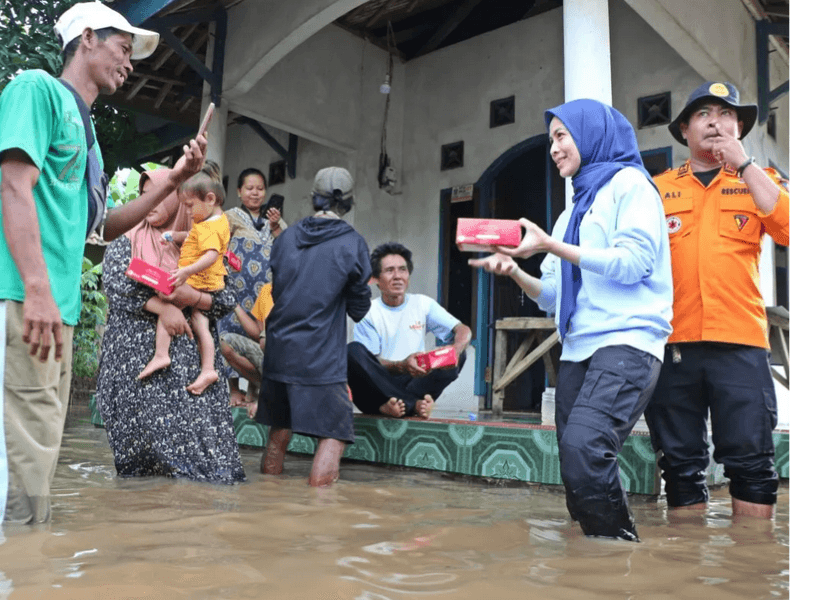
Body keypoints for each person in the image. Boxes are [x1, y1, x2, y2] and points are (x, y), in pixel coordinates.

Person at [0, 1, 208, 525]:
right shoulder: (36, 89)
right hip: (17, 295)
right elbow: (12, 185)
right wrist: (37, 288)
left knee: (37, 451)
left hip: (54, 305)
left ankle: (21, 567)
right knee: (8, 456)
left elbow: (100, 228)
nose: (130, 62)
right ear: (88, 37)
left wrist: (177, 179)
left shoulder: (88, 133)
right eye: (124, 48)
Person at [470, 99, 673, 541]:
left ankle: (617, 558)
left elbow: (635, 263)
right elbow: (554, 298)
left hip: (628, 342)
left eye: (562, 136)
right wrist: (516, 272)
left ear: (591, 134)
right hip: (579, 349)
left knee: (585, 448)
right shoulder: (570, 213)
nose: (554, 149)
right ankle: (592, 566)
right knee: (574, 463)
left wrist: (553, 247)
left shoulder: (631, 186)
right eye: (551, 140)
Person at [643, 82, 789, 520]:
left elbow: (792, 229)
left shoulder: (761, 181)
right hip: (674, 344)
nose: (716, 121)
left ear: (739, 128)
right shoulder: (656, 189)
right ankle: (683, 572)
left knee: (752, 464)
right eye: (704, 113)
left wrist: (744, 164)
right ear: (684, 129)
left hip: (740, 343)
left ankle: (749, 572)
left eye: (727, 114)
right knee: (680, 466)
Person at [95, 169, 245, 483]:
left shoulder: (202, 241)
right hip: (136, 368)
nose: (150, 204)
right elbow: (115, 285)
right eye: (145, 196)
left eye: (163, 196)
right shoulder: (128, 240)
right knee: (142, 472)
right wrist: (164, 308)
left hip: (191, 374)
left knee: (202, 472)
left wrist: (195, 298)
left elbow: (227, 297)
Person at [254, 167, 372, 487]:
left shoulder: (286, 237)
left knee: (279, 432)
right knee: (333, 434)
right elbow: (360, 309)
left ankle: (267, 502)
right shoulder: (353, 243)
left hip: (278, 349)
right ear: (349, 203)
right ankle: (319, 526)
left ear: (312, 199)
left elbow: (278, 293)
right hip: (319, 356)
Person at [347, 242, 472, 419]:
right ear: (376, 278)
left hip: (416, 380)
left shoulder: (422, 303)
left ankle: (396, 405)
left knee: (457, 354)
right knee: (352, 352)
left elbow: (462, 329)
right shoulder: (368, 312)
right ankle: (413, 405)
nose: (397, 276)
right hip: (380, 384)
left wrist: (456, 350)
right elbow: (370, 364)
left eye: (403, 270)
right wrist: (402, 366)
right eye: (390, 270)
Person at [137, 161, 230, 397]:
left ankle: (161, 354)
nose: (187, 212)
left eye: (189, 206)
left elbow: (211, 255)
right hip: (202, 283)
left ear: (209, 199)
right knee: (201, 325)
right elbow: (193, 237)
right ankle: (208, 368)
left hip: (199, 282)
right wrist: (175, 236)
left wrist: (188, 276)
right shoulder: (210, 223)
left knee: (170, 301)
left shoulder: (209, 226)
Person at [219, 168, 286, 405]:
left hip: (265, 290)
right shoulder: (230, 217)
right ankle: (234, 389)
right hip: (237, 287)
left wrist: (277, 225)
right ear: (239, 191)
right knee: (231, 331)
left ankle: (254, 390)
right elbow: (217, 244)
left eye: (259, 189)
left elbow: (289, 245)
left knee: (261, 338)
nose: (255, 193)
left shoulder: (274, 220)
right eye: (249, 188)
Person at [220, 281, 273, 418]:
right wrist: (235, 305)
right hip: (269, 359)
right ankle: (264, 387)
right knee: (226, 342)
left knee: (268, 340)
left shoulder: (300, 292)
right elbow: (257, 333)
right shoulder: (267, 290)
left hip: (294, 365)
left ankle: (271, 394)